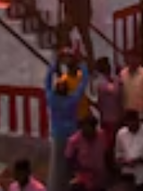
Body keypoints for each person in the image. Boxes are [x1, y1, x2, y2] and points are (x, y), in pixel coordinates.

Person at [47, 55, 91, 191]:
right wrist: (82, 66)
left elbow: (46, 81)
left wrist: (54, 65)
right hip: (72, 134)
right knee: (71, 162)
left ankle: (56, 187)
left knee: (57, 163)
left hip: (58, 134)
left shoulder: (52, 100)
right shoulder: (72, 100)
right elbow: (83, 83)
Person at [114, 110, 143, 191]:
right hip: (127, 173)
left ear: (138, 120)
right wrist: (122, 161)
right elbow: (118, 153)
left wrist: (140, 160)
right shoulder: (120, 134)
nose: (131, 125)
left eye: (133, 122)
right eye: (128, 123)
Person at [65, 118, 108, 191]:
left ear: (94, 128)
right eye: (85, 130)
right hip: (82, 177)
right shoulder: (74, 140)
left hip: (100, 176)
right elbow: (69, 160)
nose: (88, 133)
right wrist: (82, 170)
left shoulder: (102, 136)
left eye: (90, 130)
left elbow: (107, 153)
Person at [92, 58, 124, 148]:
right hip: (107, 118)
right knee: (109, 144)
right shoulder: (99, 81)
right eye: (105, 65)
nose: (108, 67)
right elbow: (114, 91)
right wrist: (118, 80)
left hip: (118, 116)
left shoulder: (113, 79)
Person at [119, 50, 143, 121]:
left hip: (141, 116)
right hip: (127, 115)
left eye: (134, 58)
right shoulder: (122, 73)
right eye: (130, 58)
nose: (132, 60)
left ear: (139, 59)